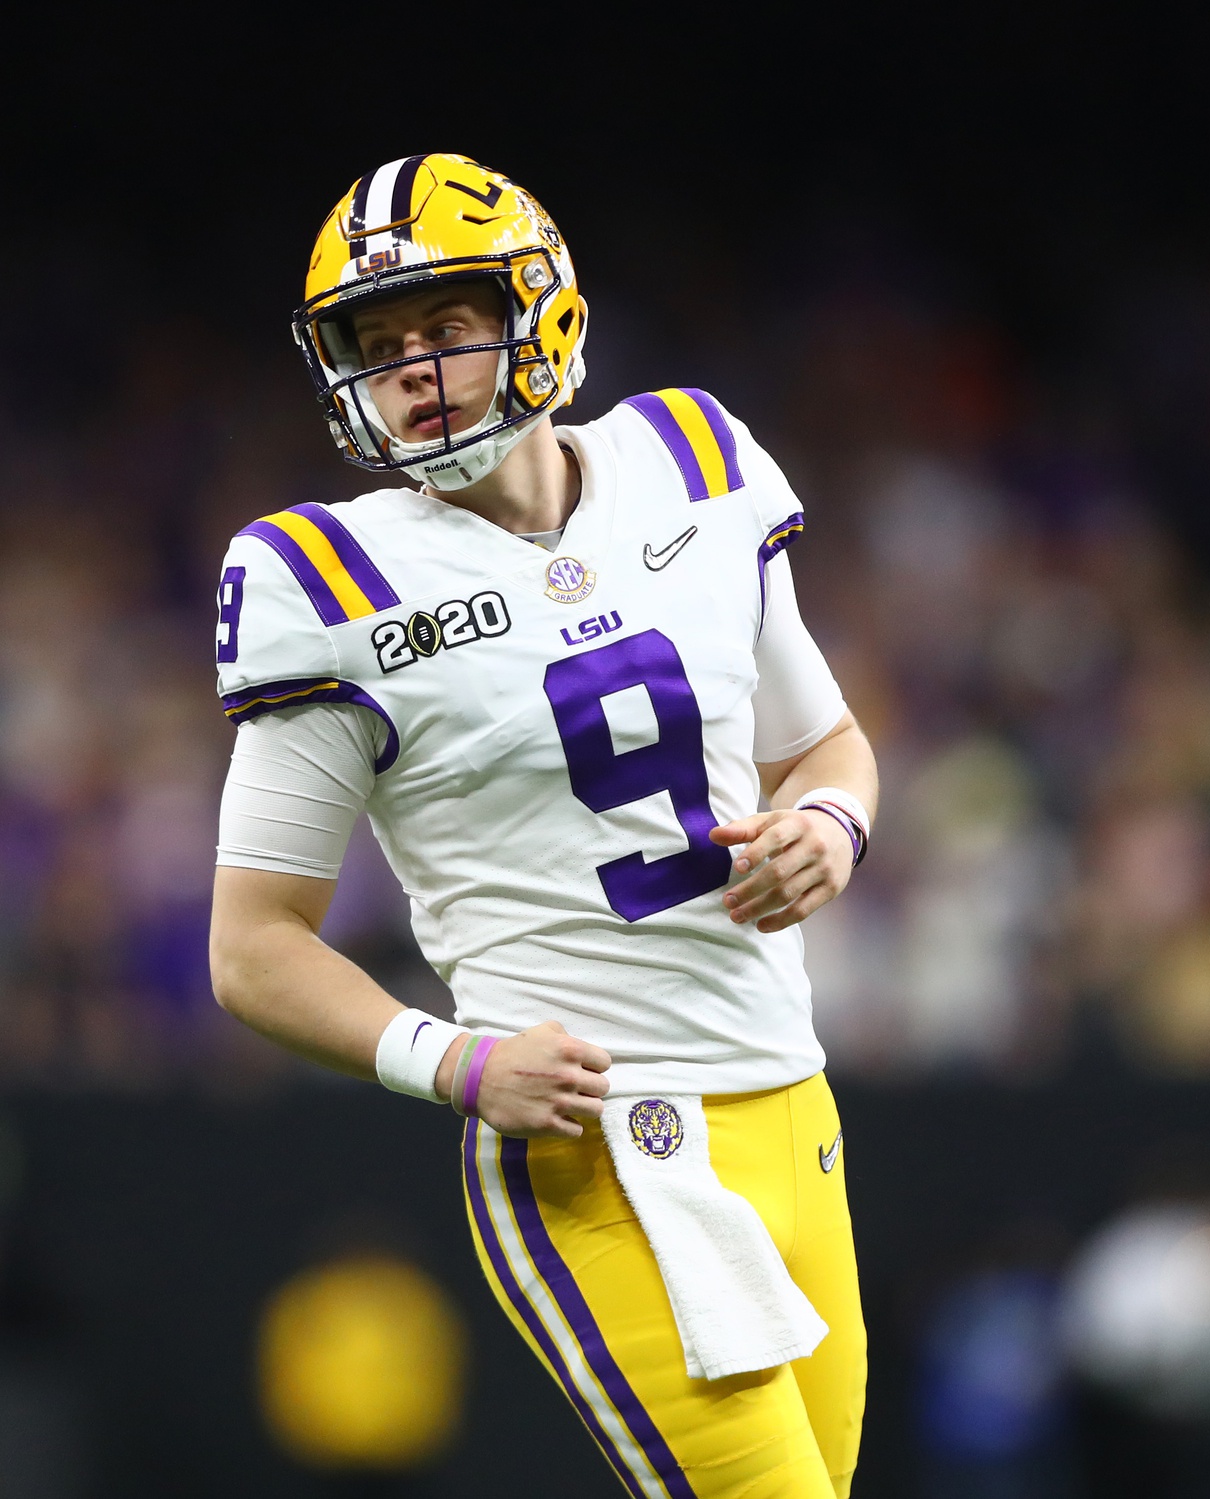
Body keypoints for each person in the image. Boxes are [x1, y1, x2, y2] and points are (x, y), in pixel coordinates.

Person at [209, 154, 879, 1498]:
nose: (409, 368)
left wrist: (829, 827)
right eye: (374, 343)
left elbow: (824, 744)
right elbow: (251, 948)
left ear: (538, 312)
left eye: (442, 325)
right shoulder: (322, 579)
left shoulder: (690, 458)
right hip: (605, 1144)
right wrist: (451, 1064)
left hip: (789, 1101)